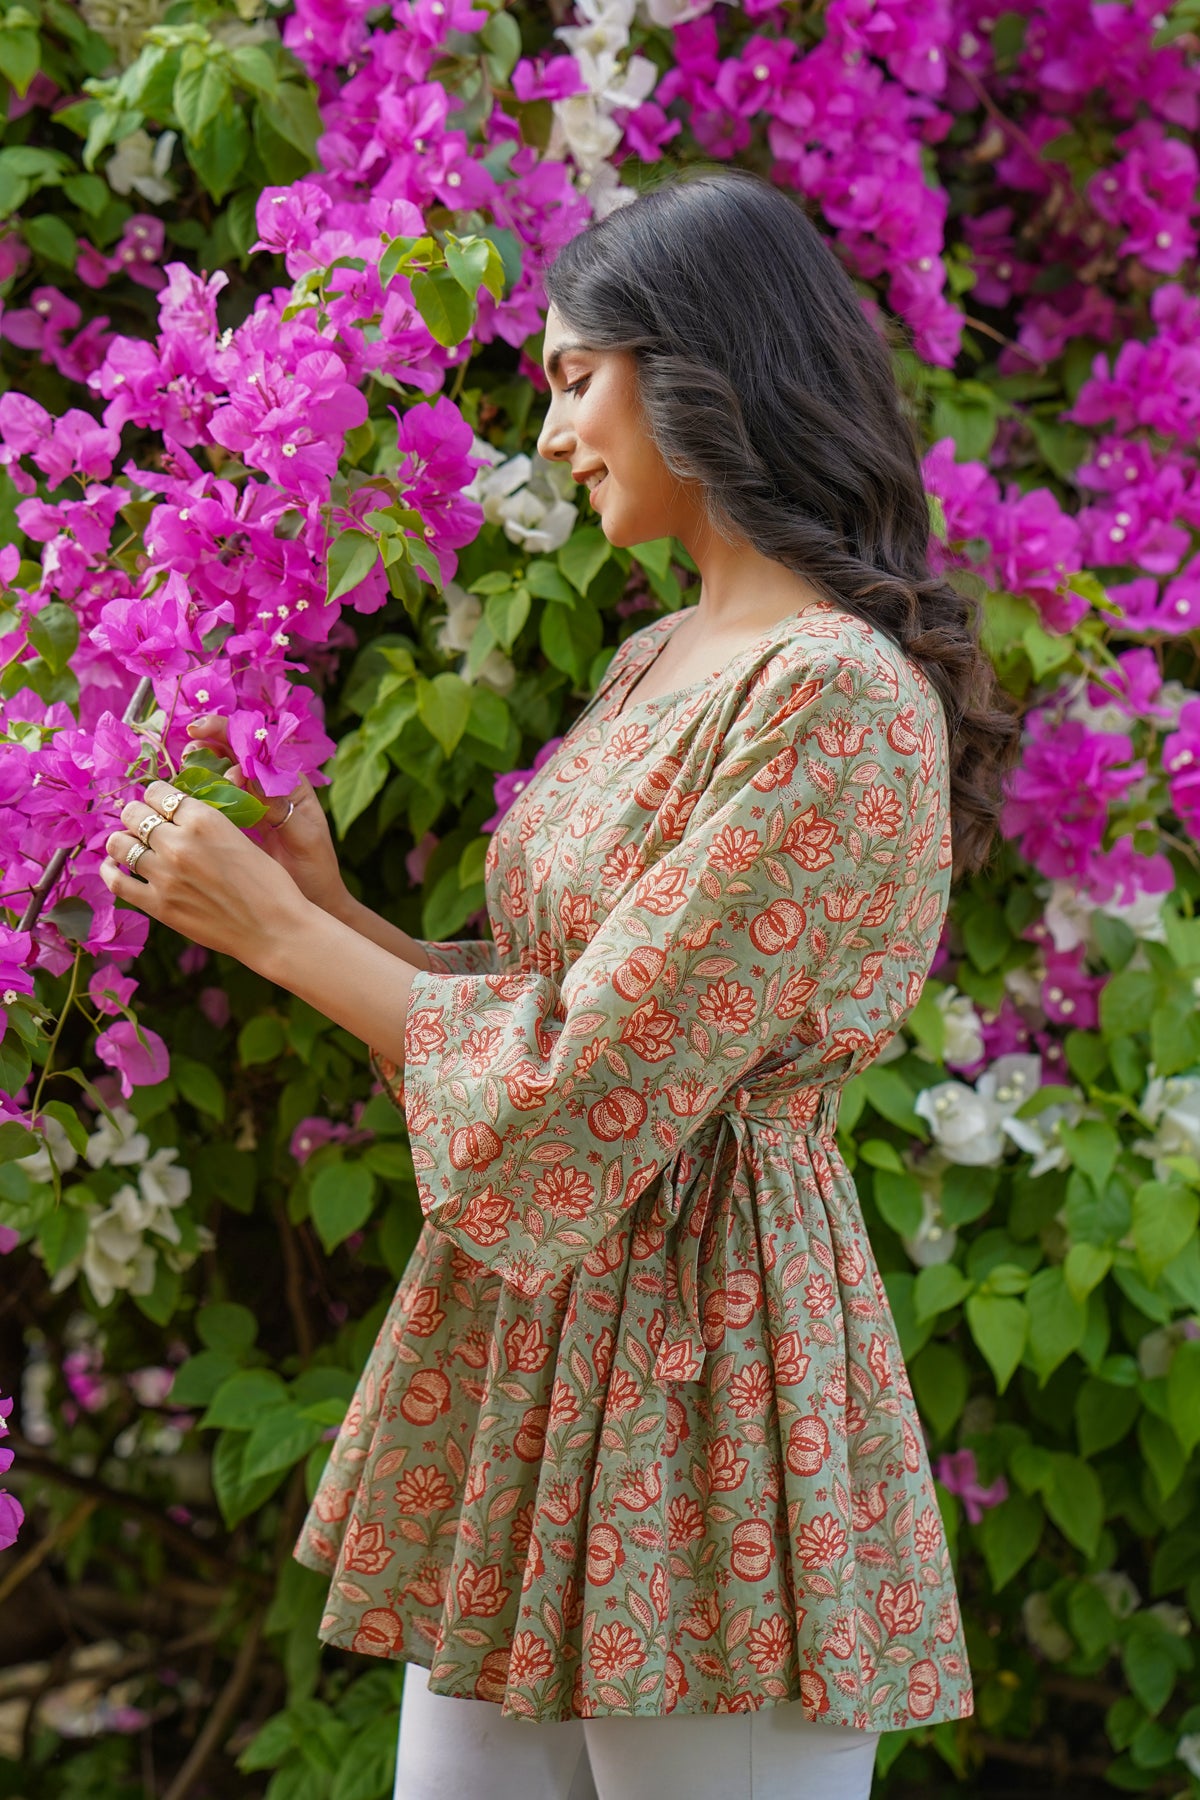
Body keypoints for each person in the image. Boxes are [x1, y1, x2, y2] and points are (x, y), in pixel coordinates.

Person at [100, 166, 1018, 1799]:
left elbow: (593, 1079)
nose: (547, 434)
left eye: (572, 379)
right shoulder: (657, 660)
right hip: (542, 1370)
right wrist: (332, 907)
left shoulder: (840, 700)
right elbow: (550, 1005)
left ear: (700, 374)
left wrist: (274, 937)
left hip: (716, 1384)